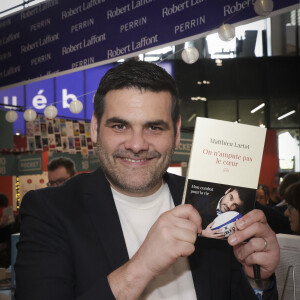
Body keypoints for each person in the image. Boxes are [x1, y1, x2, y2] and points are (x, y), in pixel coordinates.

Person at [15, 60, 280, 299]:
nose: (137, 144)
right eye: (120, 126)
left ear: (176, 133)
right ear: (95, 129)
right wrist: (142, 266)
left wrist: (257, 281)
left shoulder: (208, 202)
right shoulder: (50, 211)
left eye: (154, 127)